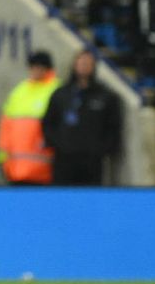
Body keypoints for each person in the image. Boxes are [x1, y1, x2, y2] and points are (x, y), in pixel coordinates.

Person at [42, 49, 123, 185]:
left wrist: (101, 150)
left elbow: (113, 127)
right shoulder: (61, 94)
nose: (84, 66)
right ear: (74, 65)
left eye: (88, 63)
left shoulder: (105, 96)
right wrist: (58, 145)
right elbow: (48, 123)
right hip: (64, 160)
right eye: (81, 62)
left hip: (92, 161)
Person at [0, 50, 60, 185]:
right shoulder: (19, 91)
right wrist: (2, 157)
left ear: (47, 69)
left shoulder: (57, 91)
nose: (35, 70)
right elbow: (6, 125)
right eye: (33, 66)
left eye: (39, 67)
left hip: (45, 170)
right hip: (16, 169)